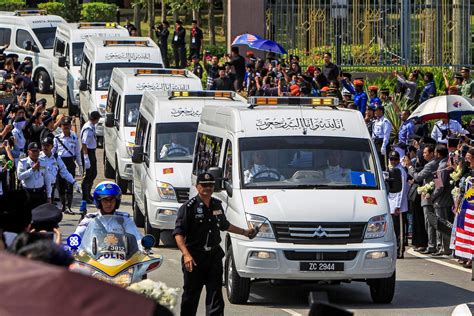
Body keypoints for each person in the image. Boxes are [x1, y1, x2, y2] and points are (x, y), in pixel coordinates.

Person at [173, 172, 257, 316]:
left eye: (210, 185)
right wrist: (186, 255)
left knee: (215, 295)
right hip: (194, 258)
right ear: (197, 186)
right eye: (204, 185)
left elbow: (224, 225)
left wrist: (245, 232)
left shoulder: (217, 205)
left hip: (213, 257)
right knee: (191, 296)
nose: (207, 188)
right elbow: (178, 233)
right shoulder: (189, 207)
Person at [74, 181, 142, 245]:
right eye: (105, 200)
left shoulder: (125, 219)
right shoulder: (89, 219)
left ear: (117, 202)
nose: (109, 203)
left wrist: (142, 246)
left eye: (112, 200)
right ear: (99, 201)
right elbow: (77, 235)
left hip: (121, 256)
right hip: (93, 256)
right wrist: (73, 245)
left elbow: (136, 237)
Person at [404, 144, 439, 254]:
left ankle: (432, 245)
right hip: (428, 196)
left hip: (429, 197)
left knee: (430, 222)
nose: (423, 155)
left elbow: (418, 177)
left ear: (432, 153)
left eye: (425, 153)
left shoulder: (431, 165)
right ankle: (433, 245)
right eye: (422, 153)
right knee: (429, 222)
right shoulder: (431, 164)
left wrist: (409, 167)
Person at [40, 137, 81, 214]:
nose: (45, 147)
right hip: (41, 189)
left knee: (48, 213)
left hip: (51, 189)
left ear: (52, 146)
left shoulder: (56, 157)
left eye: (47, 145)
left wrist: (74, 182)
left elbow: (64, 172)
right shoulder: (38, 157)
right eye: (43, 145)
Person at [53, 117, 82, 211]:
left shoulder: (74, 138)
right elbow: (53, 152)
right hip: (60, 162)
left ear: (70, 126)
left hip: (70, 162)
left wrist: (80, 165)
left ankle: (68, 205)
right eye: (64, 125)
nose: (66, 127)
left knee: (70, 185)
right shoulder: (57, 138)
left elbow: (77, 152)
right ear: (61, 126)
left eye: (67, 125)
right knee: (60, 185)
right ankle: (63, 205)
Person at [430, 145, 453, 256]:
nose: (434, 154)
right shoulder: (446, 165)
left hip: (441, 201)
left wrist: (432, 196)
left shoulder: (442, 167)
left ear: (438, 154)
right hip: (447, 200)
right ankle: (446, 248)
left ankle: (445, 248)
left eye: (435, 152)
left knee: (442, 225)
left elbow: (439, 186)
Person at [17, 142, 53, 210]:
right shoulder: (23, 162)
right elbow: (20, 176)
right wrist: (32, 169)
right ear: (28, 152)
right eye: (33, 151)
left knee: (40, 217)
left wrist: (49, 196)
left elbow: (47, 180)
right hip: (27, 193)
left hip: (40, 193)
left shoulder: (43, 162)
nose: (35, 153)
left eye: (37, 151)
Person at [387, 151, 409, 258]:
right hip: (390, 203)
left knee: (399, 230)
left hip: (398, 206)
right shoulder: (390, 170)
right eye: (391, 159)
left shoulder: (401, 171)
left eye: (395, 159)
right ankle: (395, 249)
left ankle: (400, 251)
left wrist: (398, 205)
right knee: (393, 230)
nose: (393, 161)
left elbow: (402, 189)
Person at [80, 111, 100, 204]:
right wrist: (86, 157)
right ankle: (85, 196)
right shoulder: (88, 128)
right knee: (87, 175)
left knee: (93, 173)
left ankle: (88, 194)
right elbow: (84, 144)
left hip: (91, 152)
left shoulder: (91, 126)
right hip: (87, 152)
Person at [372, 105, 392, 170]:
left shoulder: (385, 121)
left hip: (382, 142)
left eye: (376, 110)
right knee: (377, 161)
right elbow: (374, 133)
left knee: (383, 162)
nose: (375, 112)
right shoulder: (376, 121)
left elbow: (386, 135)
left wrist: (383, 146)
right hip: (376, 142)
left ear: (381, 111)